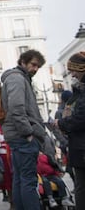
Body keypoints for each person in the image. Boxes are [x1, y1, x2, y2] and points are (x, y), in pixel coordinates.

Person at [1, 49, 47, 210]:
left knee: (20, 179)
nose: (35, 69)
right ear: (23, 62)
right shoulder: (17, 79)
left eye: (38, 67)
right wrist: (28, 133)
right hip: (23, 137)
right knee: (28, 180)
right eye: (33, 64)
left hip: (18, 137)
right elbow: (16, 108)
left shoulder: (18, 79)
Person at [54, 51, 85, 210]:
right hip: (79, 146)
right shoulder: (79, 91)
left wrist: (62, 123)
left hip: (81, 147)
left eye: (73, 70)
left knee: (81, 187)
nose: (71, 74)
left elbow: (81, 118)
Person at [0, 124, 12, 204]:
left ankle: (13, 199)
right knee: (5, 179)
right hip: (2, 157)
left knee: (12, 179)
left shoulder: (10, 127)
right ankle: (9, 199)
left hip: (10, 155)